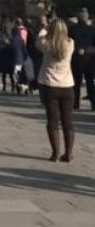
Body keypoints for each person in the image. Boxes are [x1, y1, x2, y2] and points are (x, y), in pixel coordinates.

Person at [37, 19, 76, 162]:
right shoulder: (70, 44)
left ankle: (55, 152)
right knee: (68, 120)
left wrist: (44, 28)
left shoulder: (46, 44)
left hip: (50, 85)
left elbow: (39, 38)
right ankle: (69, 153)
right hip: (67, 85)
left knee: (52, 120)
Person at [70, 8, 95, 110]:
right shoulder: (92, 30)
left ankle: (75, 104)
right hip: (89, 61)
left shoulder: (71, 30)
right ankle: (93, 103)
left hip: (76, 60)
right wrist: (86, 50)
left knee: (76, 84)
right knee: (90, 83)